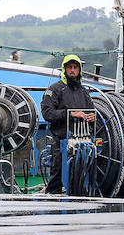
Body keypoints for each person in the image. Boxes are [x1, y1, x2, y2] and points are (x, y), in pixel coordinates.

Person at [40, 54, 95, 195]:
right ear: (64, 69)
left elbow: (92, 110)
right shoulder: (55, 90)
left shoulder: (84, 92)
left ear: (79, 70)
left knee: (83, 177)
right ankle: (52, 207)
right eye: (69, 67)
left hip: (83, 142)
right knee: (57, 178)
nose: (72, 70)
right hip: (61, 142)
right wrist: (70, 114)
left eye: (75, 67)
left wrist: (92, 117)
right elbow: (47, 113)